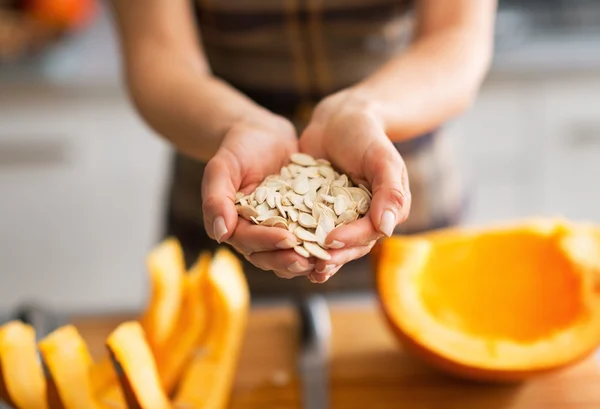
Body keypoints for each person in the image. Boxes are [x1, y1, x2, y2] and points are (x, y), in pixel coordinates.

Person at [109, 0, 497, 294]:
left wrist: (366, 110)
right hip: (228, 188)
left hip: (403, 191)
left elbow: (456, 37)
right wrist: (238, 124)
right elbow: (158, 55)